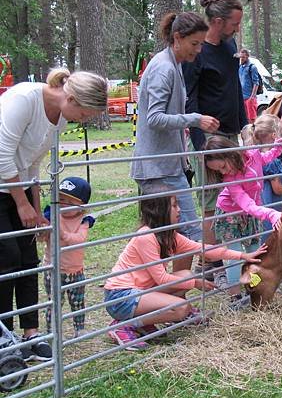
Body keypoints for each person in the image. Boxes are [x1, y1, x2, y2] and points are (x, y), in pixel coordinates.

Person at [0, 67, 107, 361]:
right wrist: (22, 205)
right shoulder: (23, 99)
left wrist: (36, 209)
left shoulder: (58, 117)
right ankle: (4, 335)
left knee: (29, 259)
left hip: (18, 186)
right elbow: (3, 155)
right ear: (71, 97)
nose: (82, 120)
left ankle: (31, 334)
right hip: (4, 187)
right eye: (84, 114)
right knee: (6, 258)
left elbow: (33, 164)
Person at [104, 190, 265, 350]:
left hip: (139, 291)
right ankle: (124, 326)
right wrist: (194, 283)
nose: (179, 209)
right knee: (181, 307)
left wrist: (243, 255)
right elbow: (161, 279)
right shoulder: (146, 236)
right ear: (160, 210)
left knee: (186, 275)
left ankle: (145, 322)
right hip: (120, 296)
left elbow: (203, 249)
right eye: (174, 206)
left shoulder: (168, 235)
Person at [131, 12, 219, 273]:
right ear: (177, 38)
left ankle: (166, 300)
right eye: (195, 44)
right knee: (188, 232)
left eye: (201, 43)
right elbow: (154, 117)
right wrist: (195, 119)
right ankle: (171, 299)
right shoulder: (163, 68)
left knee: (159, 234)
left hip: (167, 165)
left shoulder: (174, 65)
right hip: (159, 169)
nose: (199, 49)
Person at [182, 0, 246, 283]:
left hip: (232, 132)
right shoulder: (197, 53)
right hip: (208, 137)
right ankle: (209, 264)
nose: (237, 28)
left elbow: (233, 89)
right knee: (210, 201)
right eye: (234, 23)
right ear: (218, 21)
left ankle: (229, 258)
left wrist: (245, 125)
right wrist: (201, 144)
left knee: (231, 196)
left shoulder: (229, 46)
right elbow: (189, 99)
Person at [204, 135, 282, 305]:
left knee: (255, 251)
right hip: (230, 214)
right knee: (234, 254)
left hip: (251, 213)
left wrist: (277, 149)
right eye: (218, 171)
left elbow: (264, 158)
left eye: (223, 166)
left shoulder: (252, 154)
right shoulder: (230, 180)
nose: (223, 172)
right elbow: (247, 204)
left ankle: (252, 290)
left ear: (231, 154)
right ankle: (236, 297)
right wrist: (271, 214)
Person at [41, 177, 94, 338]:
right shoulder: (51, 216)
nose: (64, 204)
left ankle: (79, 328)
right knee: (54, 302)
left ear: (81, 206)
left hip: (75, 270)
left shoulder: (83, 221)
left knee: (77, 301)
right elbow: (41, 237)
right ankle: (53, 330)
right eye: (61, 199)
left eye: (70, 202)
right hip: (53, 268)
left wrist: (62, 234)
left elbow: (79, 239)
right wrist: (43, 230)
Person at [241, 115, 282, 242]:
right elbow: (278, 189)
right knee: (271, 235)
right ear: (274, 135)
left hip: (260, 203)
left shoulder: (256, 156)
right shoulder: (272, 161)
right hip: (272, 204)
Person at [238, 49, 260, 123]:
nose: (241, 59)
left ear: (247, 56)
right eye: (240, 57)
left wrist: (252, 96)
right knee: (244, 118)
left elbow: (256, 82)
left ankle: (253, 133)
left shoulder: (252, 67)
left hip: (249, 97)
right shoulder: (240, 67)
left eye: (243, 57)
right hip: (242, 97)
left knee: (252, 118)